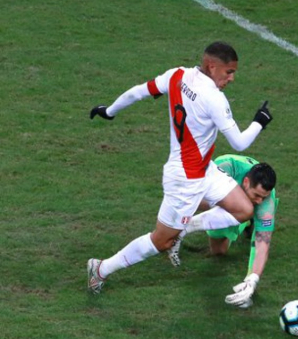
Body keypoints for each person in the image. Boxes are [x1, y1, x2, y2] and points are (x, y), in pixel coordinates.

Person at [86, 41, 274, 294]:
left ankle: (185, 228)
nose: (232, 78)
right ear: (212, 66)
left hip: (203, 170)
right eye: (229, 72)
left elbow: (138, 92)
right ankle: (101, 269)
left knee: (243, 209)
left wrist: (109, 110)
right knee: (161, 240)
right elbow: (240, 143)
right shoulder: (214, 99)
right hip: (185, 180)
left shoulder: (177, 75)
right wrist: (260, 122)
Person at [167, 154, 278, 309]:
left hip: (236, 206)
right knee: (219, 251)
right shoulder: (224, 168)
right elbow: (193, 198)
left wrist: (252, 279)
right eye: (257, 195)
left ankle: (246, 218)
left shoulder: (267, 203)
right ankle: (243, 219)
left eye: (263, 197)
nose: (260, 201)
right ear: (245, 182)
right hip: (218, 197)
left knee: (249, 211)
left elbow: (262, 243)